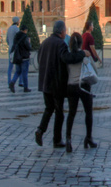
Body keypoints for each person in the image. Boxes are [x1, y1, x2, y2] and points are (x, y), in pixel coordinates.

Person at [34, 20, 71, 151]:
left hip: (45, 82)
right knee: (59, 112)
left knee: (49, 109)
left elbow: (39, 59)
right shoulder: (61, 44)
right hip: (56, 83)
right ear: (61, 32)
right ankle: (57, 139)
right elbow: (65, 60)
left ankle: (40, 130)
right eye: (65, 31)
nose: (65, 33)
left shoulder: (44, 43)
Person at [63, 31, 96, 150]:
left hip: (71, 85)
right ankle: (88, 138)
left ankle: (68, 139)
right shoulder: (84, 54)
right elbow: (94, 70)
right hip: (84, 86)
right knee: (88, 112)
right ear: (81, 43)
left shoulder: (68, 56)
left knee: (71, 113)